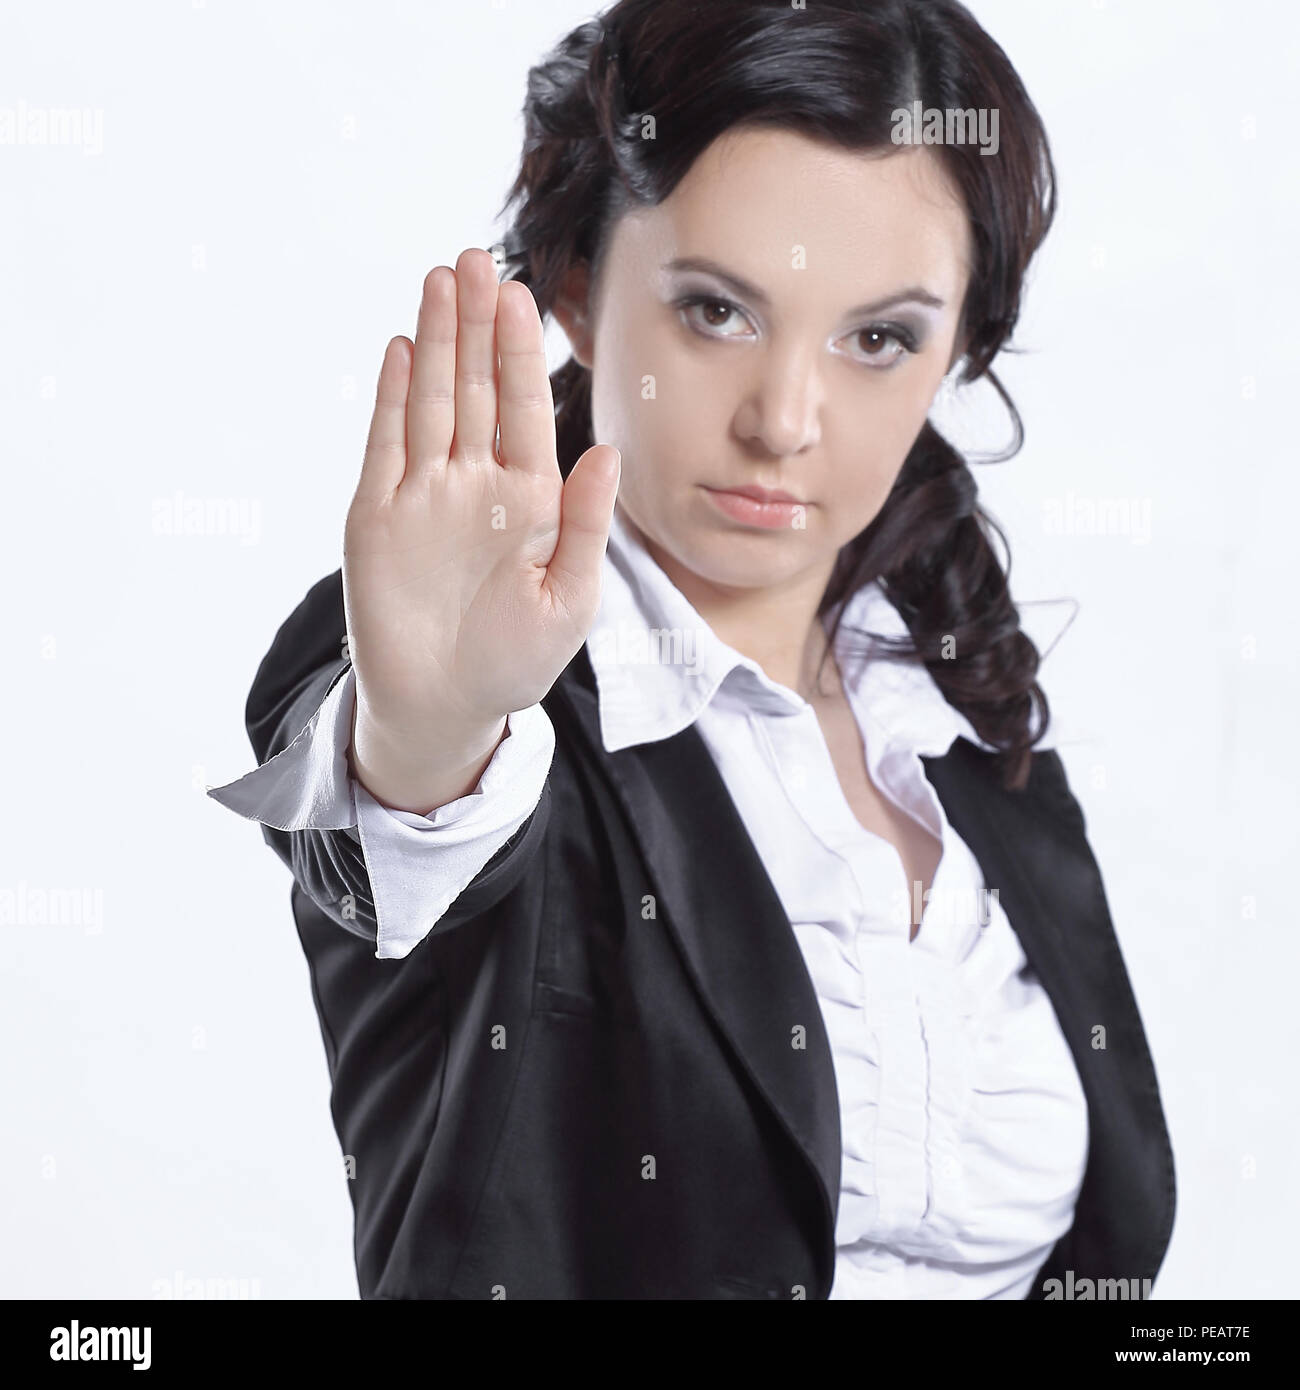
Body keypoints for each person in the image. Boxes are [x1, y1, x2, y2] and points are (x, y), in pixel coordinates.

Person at [209, 0, 1175, 1300]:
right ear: (575, 290)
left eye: (879, 337)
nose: (786, 420)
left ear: (960, 348)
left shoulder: (951, 709)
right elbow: (402, 830)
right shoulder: (479, 676)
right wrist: (429, 736)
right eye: (717, 311)